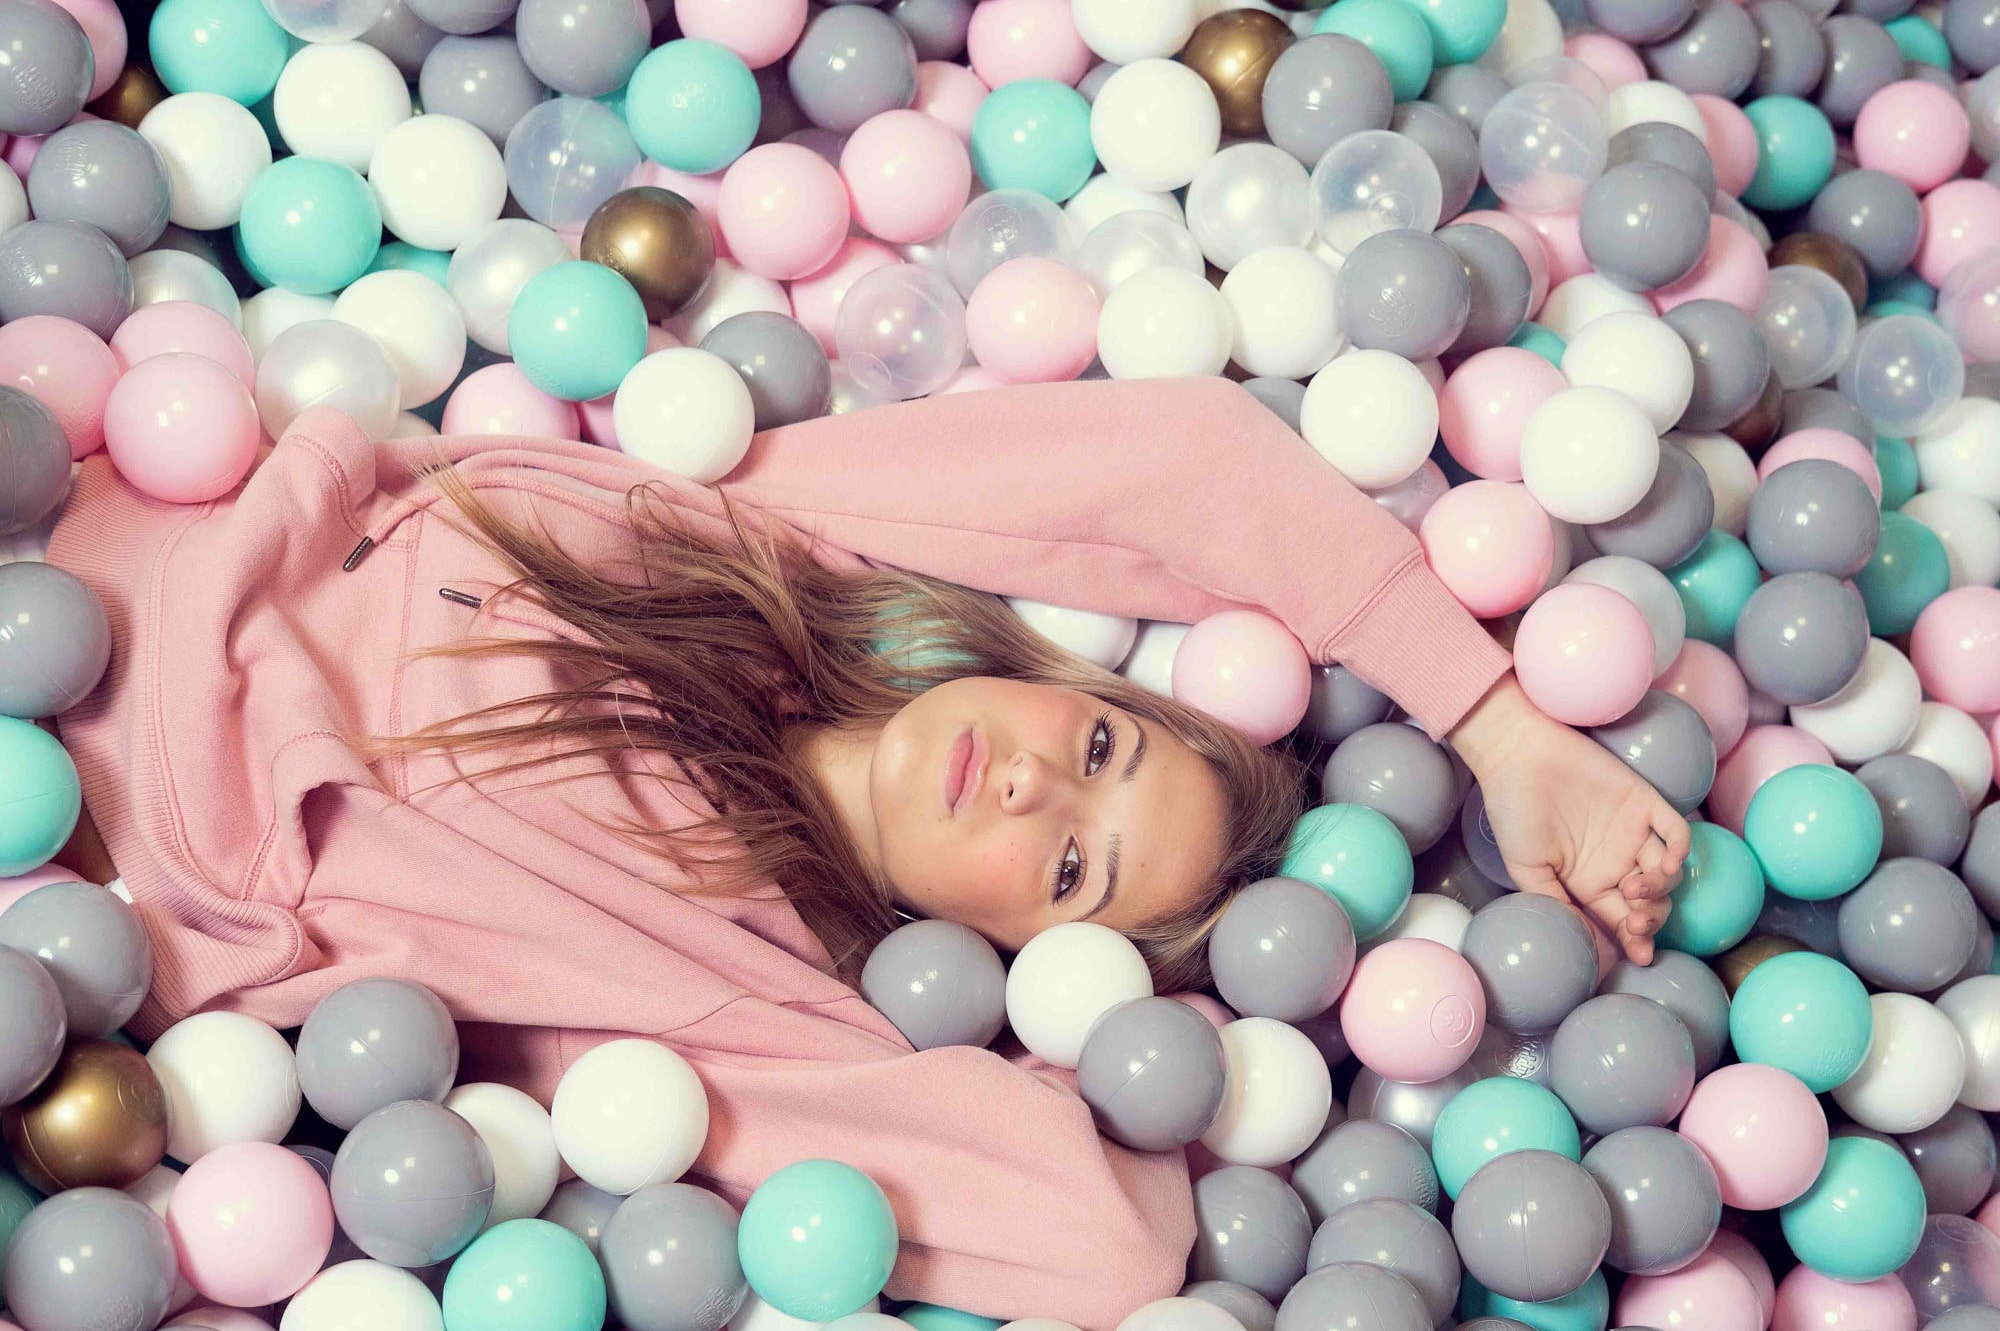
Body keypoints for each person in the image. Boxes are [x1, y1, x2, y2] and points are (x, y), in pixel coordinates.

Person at [42, 377, 1687, 1328]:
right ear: (1058, 677)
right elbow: (1178, 461)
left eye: (1073, 873)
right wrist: (1500, 726)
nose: (1034, 791)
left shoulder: (751, 982)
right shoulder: (773, 546)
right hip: (74, 523)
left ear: (1028, 963)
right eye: (1097, 747)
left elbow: (1101, 1235)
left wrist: (1130, 1060)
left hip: (66, 865)